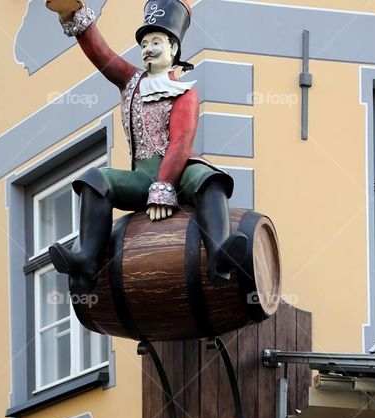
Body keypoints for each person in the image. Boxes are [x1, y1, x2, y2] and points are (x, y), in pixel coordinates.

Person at [45, 0, 248, 292]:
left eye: (156, 42)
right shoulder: (131, 82)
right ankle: (87, 258)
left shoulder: (185, 92)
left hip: (180, 170)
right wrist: (74, 15)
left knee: (210, 180)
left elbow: (180, 141)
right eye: (144, 43)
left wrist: (164, 186)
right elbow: (102, 55)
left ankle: (219, 254)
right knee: (94, 180)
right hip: (142, 173)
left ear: (173, 49)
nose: (148, 48)